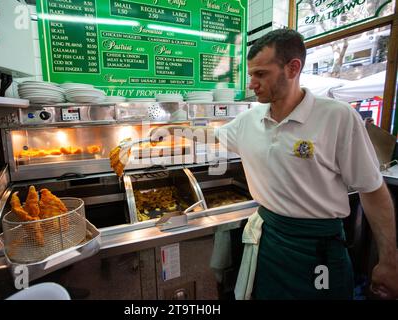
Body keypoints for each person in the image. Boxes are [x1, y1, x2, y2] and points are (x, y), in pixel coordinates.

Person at [150, 29, 398, 299]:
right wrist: (173, 130)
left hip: (317, 249)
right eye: (251, 74)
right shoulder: (250, 120)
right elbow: (213, 135)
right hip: (269, 242)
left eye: (261, 74)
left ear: (293, 68)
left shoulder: (337, 118)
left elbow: (372, 190)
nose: (252, 83)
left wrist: (389, 260)